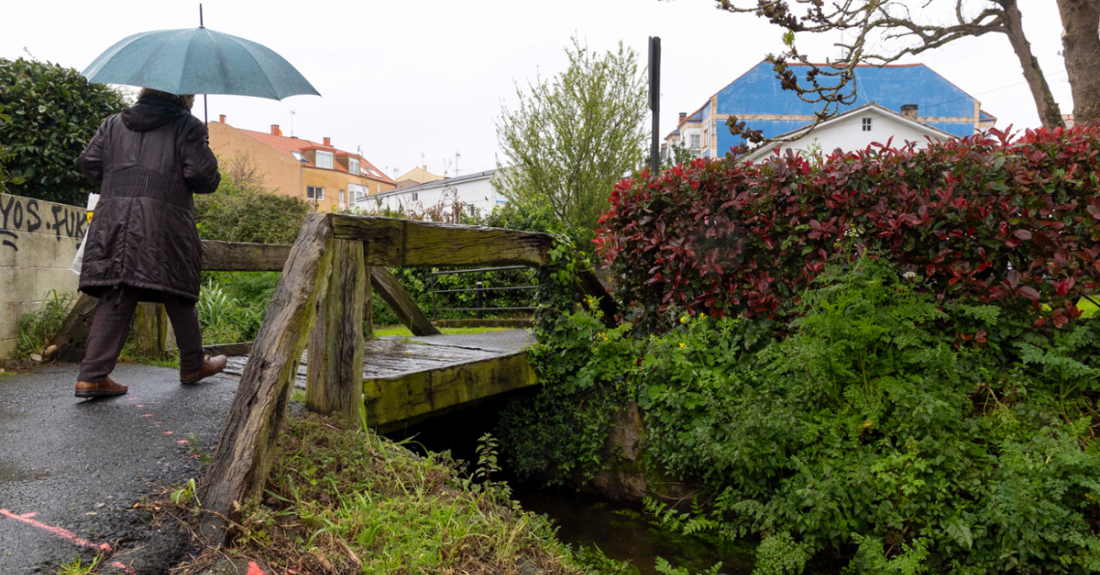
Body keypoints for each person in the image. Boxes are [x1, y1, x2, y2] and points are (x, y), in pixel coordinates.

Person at [73, 88, 227, 398]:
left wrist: (119, 180)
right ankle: (193, 364)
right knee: (177, 287)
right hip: (164, 220)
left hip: (112, 217)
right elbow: (202, 177)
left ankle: (92, 376)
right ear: (183, 95)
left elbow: (88, 162)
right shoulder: (188, 126)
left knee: (117, 286)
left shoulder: (113, 123)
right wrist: (203, 148)